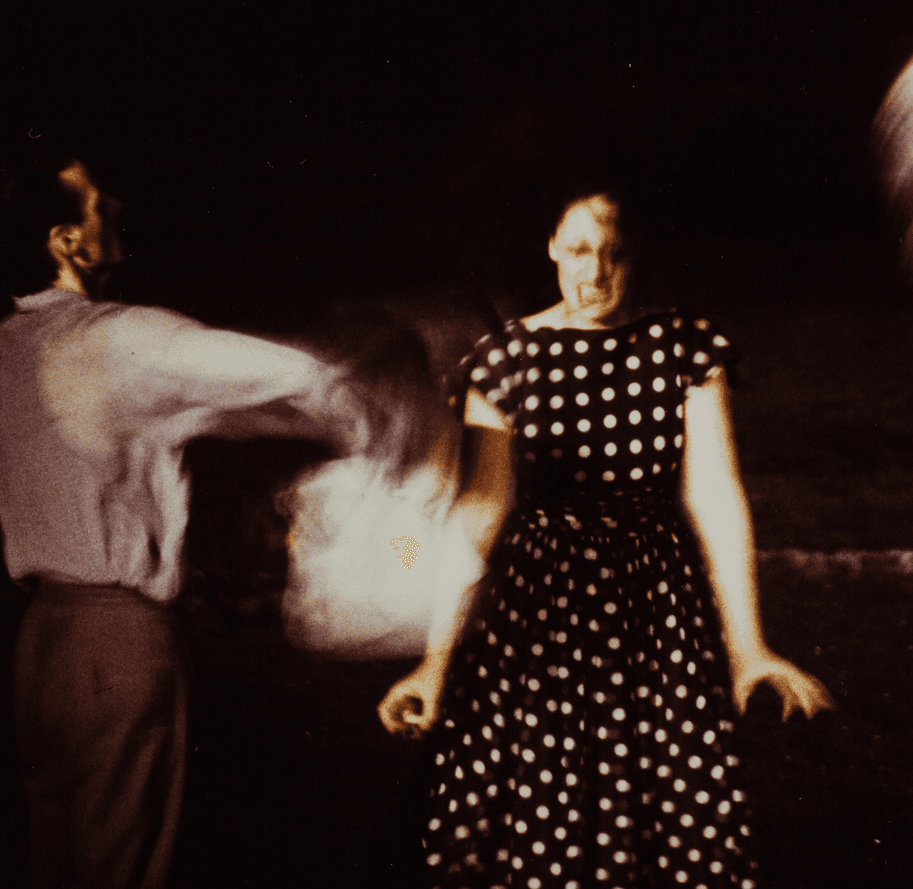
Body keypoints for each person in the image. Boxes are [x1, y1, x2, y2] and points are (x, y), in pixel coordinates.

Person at [379, 191, 831, 889]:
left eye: (615, 252)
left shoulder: (684, 347)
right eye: (581, 249)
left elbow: (715, 497)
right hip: (541, 613)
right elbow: (479, 514)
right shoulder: (505, 360)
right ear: (553, 248)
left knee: (674, 820)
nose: (597, 271)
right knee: (538, 818)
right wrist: (434, 664)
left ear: (637, 255)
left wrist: (748, 647)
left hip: (656, 607)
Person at [0, 148, 380, 889]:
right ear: (65, 242)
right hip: (118, 637)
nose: (118, 214)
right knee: (125, 865)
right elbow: (289, 371)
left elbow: (186, 415)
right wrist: (362, 392)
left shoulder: (9, 348)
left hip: (37, 643)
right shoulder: (117, 337)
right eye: (99, 206)